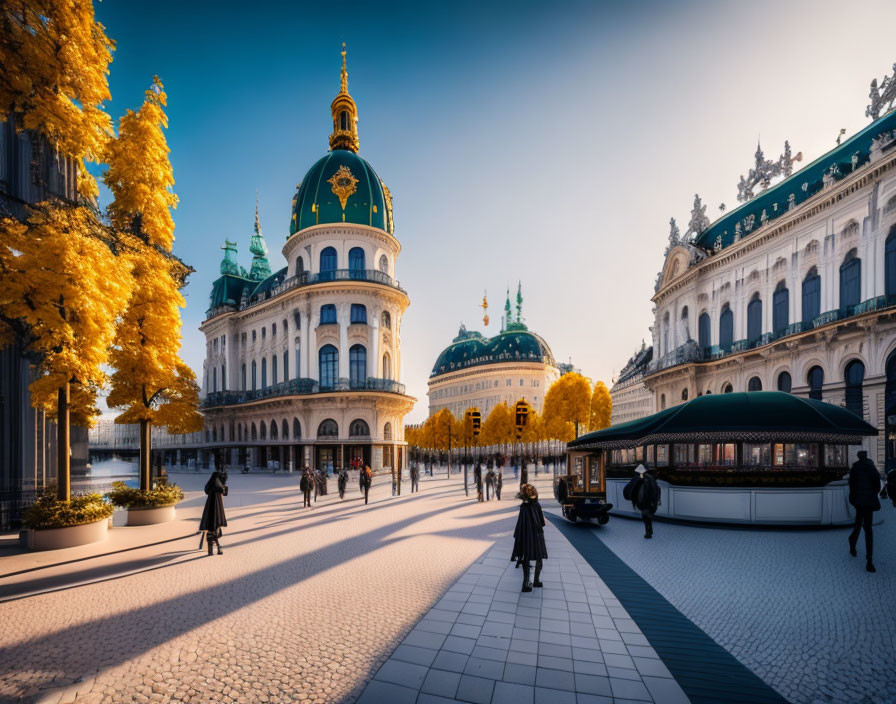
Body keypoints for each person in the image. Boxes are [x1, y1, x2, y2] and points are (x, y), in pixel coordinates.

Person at [848, 450, 881, 572]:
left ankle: (852, 542)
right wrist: (872, 494)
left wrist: (854, 498)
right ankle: (869, 560)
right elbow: (877, 484)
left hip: (859, 501)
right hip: (868, 501)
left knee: (858, 524)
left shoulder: (855, 468)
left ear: (858, 457)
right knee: (868, 529)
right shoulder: (871, 467)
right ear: (866, 456)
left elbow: (851, 485)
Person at [511, 483, 548, 592]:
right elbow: (542, 522)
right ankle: (536, 580)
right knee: (539, 557)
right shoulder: (537, 505)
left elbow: (520, 524)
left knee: (526, 559)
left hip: (526, 537)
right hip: (537, 536)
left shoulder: (523, 508)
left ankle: (527, 583)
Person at [199, 458, 228, 556]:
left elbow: (207, 490)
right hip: (217, 507)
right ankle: (218, 547)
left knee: (212, 528)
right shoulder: (218, 484)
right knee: (216, 527)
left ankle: (212, 547)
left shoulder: (211, 483)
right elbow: (224, 491)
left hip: (210, 506)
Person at [624, 464, 660, 538]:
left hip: (644, 502)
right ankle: (650, 530)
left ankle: (648, 532)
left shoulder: (639, 478)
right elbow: (657, 490)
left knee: (645, 516)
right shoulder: (651, 478)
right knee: (648, 515)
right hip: (652, 501)